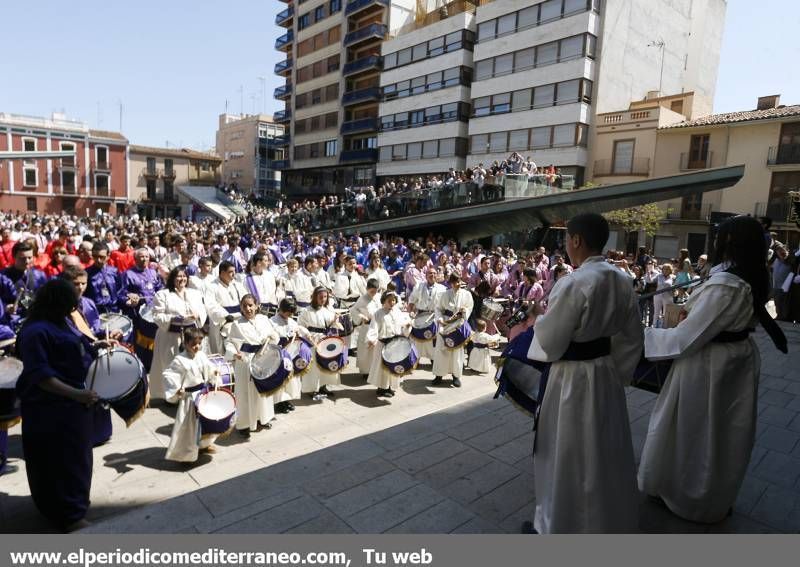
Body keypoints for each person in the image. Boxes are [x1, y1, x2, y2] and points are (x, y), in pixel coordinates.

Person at [638, 215, 788, 524]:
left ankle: (691, 499)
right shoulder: (753, 275)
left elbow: (686, 338)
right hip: (733, 360)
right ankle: (713, 495)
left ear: (730, 244)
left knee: (697, 431)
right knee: (724, 432)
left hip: (708, 364)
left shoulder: (727, 285)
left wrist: (644, 338)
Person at [523, 212, 643, 534]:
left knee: (568, 449)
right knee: (603, 447)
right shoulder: (622, 279)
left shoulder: (574, 282)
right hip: (605, 373)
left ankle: (561, 523)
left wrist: (538, 318)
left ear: (576, 240)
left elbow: (550, 339)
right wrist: (619, 371)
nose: (565, 245)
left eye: (566, 239)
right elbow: (632, 337)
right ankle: (607, 519)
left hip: (571, 379)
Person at [14, 279, 111, 531]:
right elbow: (41, 376)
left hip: (72, 406)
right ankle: (69, 515)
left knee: (77, 459)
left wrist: (95, 345)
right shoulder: (35, 331)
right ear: (55, 303)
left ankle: (70, 505)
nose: (72, 310)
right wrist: (76, 395)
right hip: (51, 409)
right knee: (61, 463)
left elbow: (75, 342)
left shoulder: (61, 320)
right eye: (69, 305)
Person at [163, 327, 223, 462]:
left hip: (203, 394)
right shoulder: (180, 360)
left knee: (207, 423)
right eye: (193, 344)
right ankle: (186, 455)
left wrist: (214, 373)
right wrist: (177, 388)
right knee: (189, 428)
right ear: (185, 344)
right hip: (190, 398)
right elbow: (169, 375)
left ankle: (204, 445)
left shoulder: (201, 355)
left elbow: (208, 367)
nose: (197, 347)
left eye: (199, 344)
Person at [224, 295, 280, 438]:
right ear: (241, 308)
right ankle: (244, 423)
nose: (248, 309)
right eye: (245, 306)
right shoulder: (237, 324)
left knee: (262, 390)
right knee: (245, 393)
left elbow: (274, 335)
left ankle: (263, 417)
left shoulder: (264, 319)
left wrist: (272, 337)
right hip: (246, 361)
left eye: (251, 305)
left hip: (263, 359)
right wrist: (234, 353)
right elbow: (229, 342)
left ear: (256, 306)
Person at [150, 266, 207, 402]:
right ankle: (172, 398)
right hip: (170, 335)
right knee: (171, 365)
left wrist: (197, 314)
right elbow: (157, 315)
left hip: (191, 335)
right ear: (172, 278)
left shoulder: (194, 293)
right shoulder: (162, 294)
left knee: (191, 364)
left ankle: (190, 393)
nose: (182, 279)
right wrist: (174, 318)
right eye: (178, 276)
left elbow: (202, 310)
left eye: (184, 276)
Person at [366, 291, 412, 398]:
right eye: (389, 300)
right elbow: (374, 327)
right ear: (384, 301)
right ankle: (382, 388)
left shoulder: (397, 312)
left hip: (395, 344)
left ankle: (390, 386)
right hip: (383, 344)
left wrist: (407, 326)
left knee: (393, 366)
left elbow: (403, 325)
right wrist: (371, 339)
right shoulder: (378, 313)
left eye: (393, 300)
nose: (392, 302)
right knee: (382, 367)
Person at [432, 273, 474, 388]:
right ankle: (439, 375)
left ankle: (456, 376)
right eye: (455, 282)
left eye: (459, 281)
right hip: (445, 324)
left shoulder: (466, 294)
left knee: (457, 352)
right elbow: (438, 309)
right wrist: (440, 319)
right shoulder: (444, 294)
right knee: (441, 350)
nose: (458, 284)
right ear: (451, 283)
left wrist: (464, 311)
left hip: (458, 324)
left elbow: (469, 307)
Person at [298, 286, 341, 399]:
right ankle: (312, 389)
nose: (323, 299)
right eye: (320, 297)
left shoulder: (328, 309)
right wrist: (308, 335)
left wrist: (335, 320)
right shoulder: (306, 311)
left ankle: (323, 386)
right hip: (312, 340)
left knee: (324, 363)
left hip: (325, 340)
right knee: (313, 366)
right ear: (315, 297)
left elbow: (331, 324)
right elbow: (300, 325)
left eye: (325, 297)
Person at [270, 299, 310, 413]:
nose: (290, 315)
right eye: (288, 312)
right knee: (281, 379)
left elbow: (298, 330)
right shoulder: (272, 321)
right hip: (279, 354)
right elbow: (273, 338)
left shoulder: (291, 321)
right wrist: (285, 340)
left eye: (292, 313)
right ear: (281, 309)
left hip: (291, 353)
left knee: (290, 380)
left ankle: (287, 400)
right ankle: (279, 403)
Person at [407, 269, 446, 365]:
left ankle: (434, 360)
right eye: (429, 273)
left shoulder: (442, 288)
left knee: (433, 340)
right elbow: (412, 300)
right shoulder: (418, 286)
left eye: (434, 273)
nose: (432, 275)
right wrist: (411, 311)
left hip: (434, 317)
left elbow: (444, 305)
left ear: (437, 275)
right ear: (426, 275)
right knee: (417, 340)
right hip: (420, 316)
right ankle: (416, 360)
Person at [349, 278, 381, 379]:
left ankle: (375, 370)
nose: (373, 293)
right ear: (367, 289)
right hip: (367, 326)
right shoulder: (362, 299)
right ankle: (366, 371)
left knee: (376, 350)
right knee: (366, 350)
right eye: (371, 291)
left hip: (377, 326)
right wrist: (360, 316)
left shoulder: (378, 297)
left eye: (375, 291)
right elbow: (353, 309)